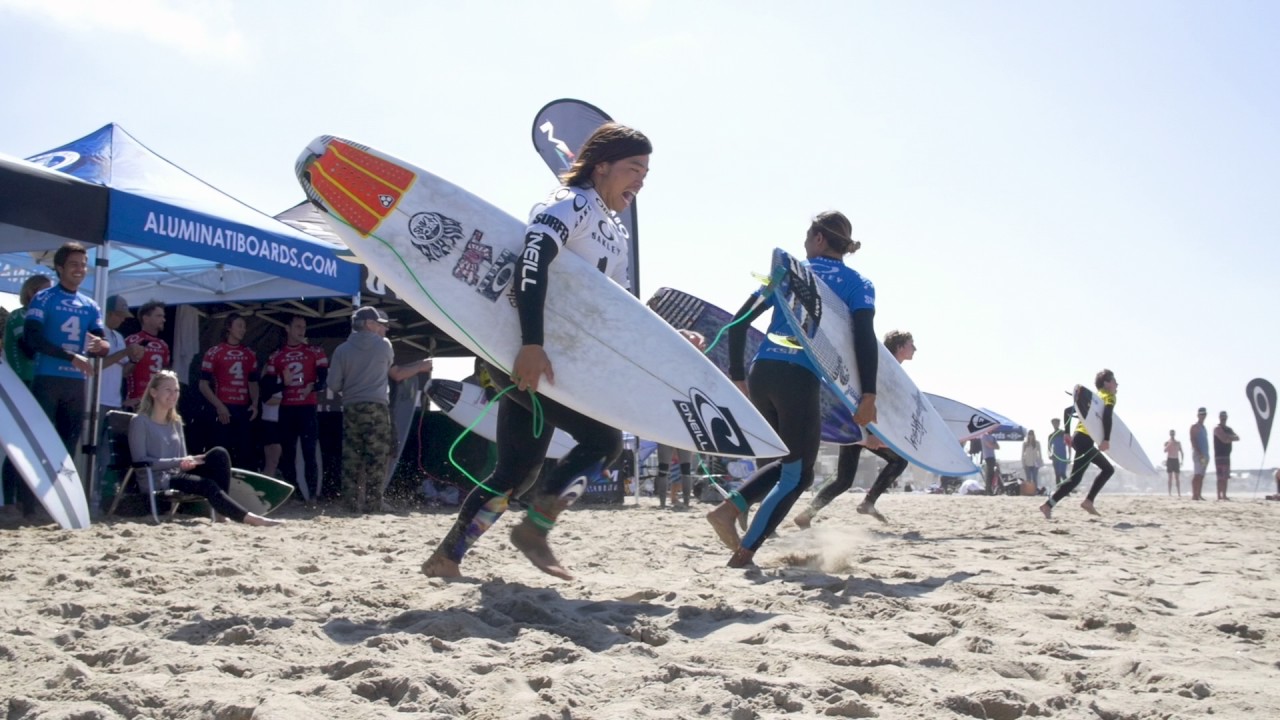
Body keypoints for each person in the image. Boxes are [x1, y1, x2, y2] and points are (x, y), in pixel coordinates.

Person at [422, 123, 650, 580]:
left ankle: (446, 558)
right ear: (602, 167)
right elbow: (532, 259)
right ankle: (535, 529)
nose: (642, 180)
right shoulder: (570, 205)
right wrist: (530, 344)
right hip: (526, 352)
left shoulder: (614, 231)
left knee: (517, 469)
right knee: (602, 442)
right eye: (634, 168)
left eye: (646, 171)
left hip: (557, 359)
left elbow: (616, 310)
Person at [705, 210, 878, 568]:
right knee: (799, 474)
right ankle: (742, 544)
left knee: (784, 465)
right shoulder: (857, 283)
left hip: (762, 372)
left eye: (806, 236)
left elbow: (737, 326)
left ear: (818, 239)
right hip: (798, 377)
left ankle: (734, 512)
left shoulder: (785, 275)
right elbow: (863, 338)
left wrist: (738, 378)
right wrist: (869, 394)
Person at [128, 370, 282, 527]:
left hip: (176, 473)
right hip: (157, 479)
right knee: (207, 485)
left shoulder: (175, 422)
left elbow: (181, 458)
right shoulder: (140, 422)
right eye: (168, 390)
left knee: (219, 454)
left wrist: (190, 461)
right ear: (153, 392)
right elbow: (140, 461)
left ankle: (221, 513)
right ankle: (251, 519)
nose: (173, 394)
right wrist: (180, 461)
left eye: (176, 390)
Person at [21, 243, 111, 508]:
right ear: (59, 268)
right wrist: (71, 356)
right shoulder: (44, 298)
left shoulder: (90, 305)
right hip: (48, 380)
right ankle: (28, 505)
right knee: (38, 443)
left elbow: (103, 344)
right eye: (74, 264)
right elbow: (32, 338)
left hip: (76, 384)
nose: (80, 269)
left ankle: (58, 504)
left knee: (68, 446)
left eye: (83, 264)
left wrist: (100, 347)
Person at [793, 330, 915, 527]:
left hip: (855, 426)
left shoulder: (888, 369)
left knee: (844, 480)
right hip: (858, 425)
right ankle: (868, 503)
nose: (915, 349)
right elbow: (862, 398)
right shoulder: (883, 369)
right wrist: (869, 433)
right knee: (899, 461)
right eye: (911, 344)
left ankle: (807, 515)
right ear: (900, 347)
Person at [328, 306, 432, 514]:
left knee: (352, 456)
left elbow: (333, 384)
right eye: (377, 323)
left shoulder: (341, 350)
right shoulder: (384, 346)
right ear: (368, 324)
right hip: (376, 406)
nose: (381, 327)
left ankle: (350, 502)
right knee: (377, 456)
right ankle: (373, 503)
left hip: (351, 407)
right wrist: (421, 366)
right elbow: (395, 373)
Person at [261, 314, 329, 502]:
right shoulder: (276, 356)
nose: (301, 331)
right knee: (288, 455)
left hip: (307, 408)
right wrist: (283, 383)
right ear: (287, 328)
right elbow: (266, 392)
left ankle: (313, 497)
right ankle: (296, 494)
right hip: (287, 410)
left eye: (303, 327)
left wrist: (312, 386)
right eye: (297, 327)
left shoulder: (315, 351)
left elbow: (323, 381)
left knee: (309, 453)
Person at [1, 274, 52, 513]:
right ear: (31, 292)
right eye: (44, 291)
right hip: (20, 383)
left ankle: (28, 500)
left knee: (32, 447)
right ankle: (10, 501)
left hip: (37, 385)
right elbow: (29, 349)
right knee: (16, 448)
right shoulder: (20, 315)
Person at [1040, 369, 1118, 519]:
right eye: (1114, 381)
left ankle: (1048, 505)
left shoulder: (1092, 399)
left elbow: (1067, 411)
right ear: (1107, 383)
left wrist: (1068, 433)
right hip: (1085, 440)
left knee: (1076, 478)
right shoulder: (1108, 397)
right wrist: (1106, 439)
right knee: (1107, 470)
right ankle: (1087, 502)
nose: (1117, 385)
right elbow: (1107, 416)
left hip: (1080, 438)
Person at [95, 295, 146, 510]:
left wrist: (135, 359)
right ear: (109, 313)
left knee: (106, 453)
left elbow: (124, 371)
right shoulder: (98, 334)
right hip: (95, 400)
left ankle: (97, 496)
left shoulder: (118, 336)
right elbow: (98, 365)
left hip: (113, 401)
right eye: (119, 315)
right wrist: (125, 352)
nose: (122, 320)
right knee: (93, 451)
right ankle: (89, 494)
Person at [198, 315, 259, 468]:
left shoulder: (249, 354)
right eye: (239, 326)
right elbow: (203, 384)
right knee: (220, 452)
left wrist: (255, 403)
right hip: (222, 408)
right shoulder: (214, 352)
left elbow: (253, 382)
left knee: (245, 452)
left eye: (244, 327)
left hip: (242, 409)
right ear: (228, 328)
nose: (243, 330)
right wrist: (219, 406)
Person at [123, 300, 170, 410]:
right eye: (158, 316)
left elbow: (165, 376)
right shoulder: (131, 340)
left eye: (163, 316)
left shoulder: (163, 345)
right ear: (146, 318)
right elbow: (122, 373)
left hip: (156, 403)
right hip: (135, 402)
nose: (163, 320)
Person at [1213, 411, 1240, 501]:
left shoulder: (1228, 429)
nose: (1223, 418)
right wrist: (1229, 438)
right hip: (1219, 455)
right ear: (1219, 417)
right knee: (1220, 477)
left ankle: (1224, 495)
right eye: (1222, 416)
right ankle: (1219, 495)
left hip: (1227, 455)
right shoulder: (1217, 428)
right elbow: (1223, 439)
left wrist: (1228, 437)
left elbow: (1237, 437)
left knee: (1225, 477)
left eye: (1224, 416)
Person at [1189, 407, 1210, 501]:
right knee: (1197, 474)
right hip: (1198, 454)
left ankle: (1199, 494)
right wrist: (1199, 452)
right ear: (1198, 415)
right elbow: (1193, 440)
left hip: (1205, 454)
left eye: (1204, 414)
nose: (1202, 415)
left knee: (1201, 475)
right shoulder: (1195, 427)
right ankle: (1194, 495)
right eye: (1201, 414)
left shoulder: (1203, 427)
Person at [1047, 417, 1070, 486]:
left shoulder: (1063, 433)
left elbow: (1069, 445)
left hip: (1063, 456)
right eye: (1054, 423)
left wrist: (1069, 457)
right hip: (1055, 456)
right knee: (1057, 474)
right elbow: (1049, 447)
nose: (1055, 425)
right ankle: (1059, 489)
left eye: (1056, 423)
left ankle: (1068, 487)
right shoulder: (1051, 435)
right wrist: (1049, 454)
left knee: (1062, 473)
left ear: (1059, 424)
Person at [1164, 429, 1184, 497]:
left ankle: (1179, 493)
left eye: (1173, 434)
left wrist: (1182, 461)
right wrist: (1169, 444)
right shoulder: (1168, 442)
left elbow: (1181, 451)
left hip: (1176, 460)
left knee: (1177, 478)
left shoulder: (1178, 442)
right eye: (1171, 434)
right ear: (1170, 434)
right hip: (1170, 460)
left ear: (1174, 434)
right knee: (1170, 477)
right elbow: (1165, 450)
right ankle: (1169, 493)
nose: (1172, 435)